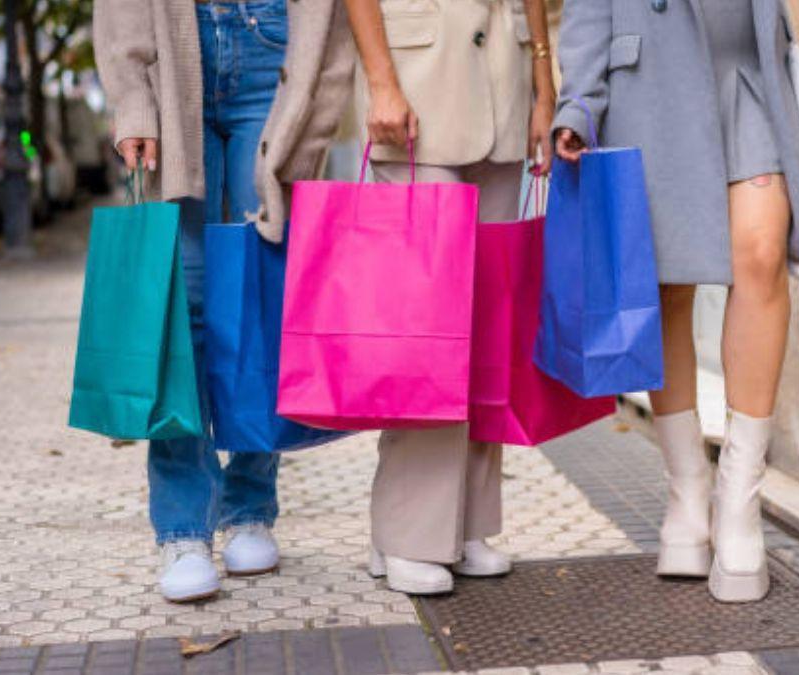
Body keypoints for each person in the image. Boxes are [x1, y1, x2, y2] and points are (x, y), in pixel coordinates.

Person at [554, 0, 799, 603]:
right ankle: (687, 492)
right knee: (666, 285)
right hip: (650, 88)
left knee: (760, 255)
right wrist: (579, 100)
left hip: (748, 76)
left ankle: (741, 502)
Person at [93, 0, 354, 602]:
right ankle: (184, 526)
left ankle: (250, 505)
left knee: (261, 292)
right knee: (184, 308)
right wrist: (132, 98)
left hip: (270, 44)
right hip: (175, 47)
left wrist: (318, 117)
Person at [343, 0, 557, 594]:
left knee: (488, 321)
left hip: (503, 85)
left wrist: (543, 83)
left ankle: (464, 525)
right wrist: (381, 81)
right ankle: (409, 530)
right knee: (427, 327)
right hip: (416, 87)